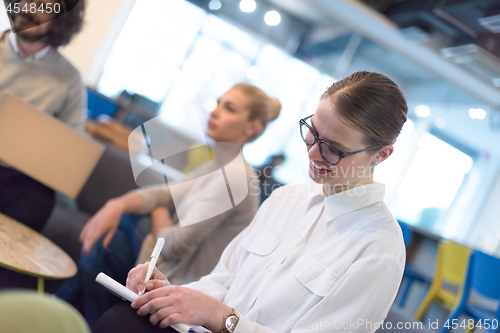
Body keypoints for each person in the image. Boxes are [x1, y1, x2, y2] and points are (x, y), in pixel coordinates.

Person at [94, 71, 409, 333]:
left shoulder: (379, 249)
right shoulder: (286, 199)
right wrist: (175, 293)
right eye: (312, 132)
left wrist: (224, 319)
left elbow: (222, 312)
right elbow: (225, 279)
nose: (312, 153)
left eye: (334, 149)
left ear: (381, 155)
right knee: (122, 320)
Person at [56, 83, 282, 328]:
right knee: (115, 233)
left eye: (229, 108)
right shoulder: (214, 167)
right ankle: (61, 317)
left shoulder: (236, 178)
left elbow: (174, 245)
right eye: (217, 103)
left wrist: (157, 208)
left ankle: (63, 317)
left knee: (106, 245)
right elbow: (162, 195)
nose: (215, 112)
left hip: (182, 285)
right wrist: (116, 204)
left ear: (252, 127)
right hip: (164, 267)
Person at [0, 0, 87, 232]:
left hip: (20, 177)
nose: (28, 8)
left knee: (37, 201)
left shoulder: (70, 81)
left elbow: (71, 150)